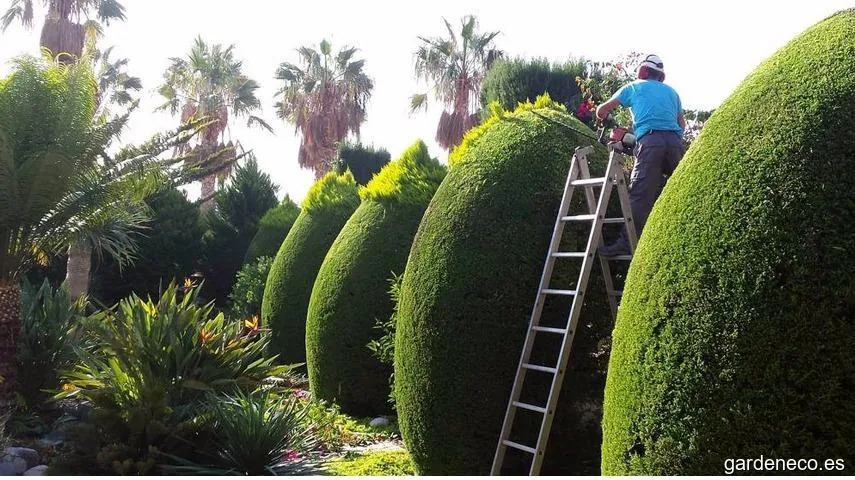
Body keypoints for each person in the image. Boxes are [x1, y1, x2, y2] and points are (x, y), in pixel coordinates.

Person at [594, 54, 686, 257]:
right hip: (674, 144)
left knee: (639, 195)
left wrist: (605, 118)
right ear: (661, 75)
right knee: (685, 188)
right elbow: (682, 125)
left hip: (650, 143)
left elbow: (602, 110)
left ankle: (627, 243)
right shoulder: (672, 93)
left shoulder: (634, 87)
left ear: (643, 71)